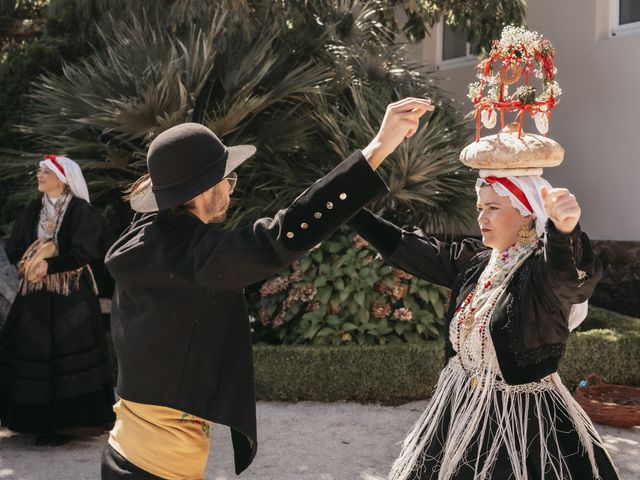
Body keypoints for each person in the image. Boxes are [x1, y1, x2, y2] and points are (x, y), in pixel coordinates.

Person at [101, 98, 434, 479]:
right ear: (201, 191)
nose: (231, 187)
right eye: (227, 178)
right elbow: (287, 231)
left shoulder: (142, 241)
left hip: (121, 452)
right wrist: (378, 148)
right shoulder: (200, 259)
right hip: (160, 470)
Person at [349, 174, 620, 480]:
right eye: (480, 207)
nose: (481, 217)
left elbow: (567, 281)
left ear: (526, 215)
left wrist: (564, 231)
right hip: (459, 406)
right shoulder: (479, 262)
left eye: (493, 208)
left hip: (522, 422)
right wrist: (348, 210)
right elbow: (412, 250)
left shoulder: (540, 276)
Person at [0, 155, 115, 446]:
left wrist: (49, 266)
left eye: (45, 171)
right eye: (40, 170)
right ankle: (34, 421)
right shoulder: (32, 209)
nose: (39, 175)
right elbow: (14, 245)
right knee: (31, 346)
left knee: (68, 350)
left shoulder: (82, 211)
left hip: (71, 294)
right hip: (35, 293)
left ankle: (67, 425)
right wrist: (24, 265)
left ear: (63, 179)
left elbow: (83, 251)